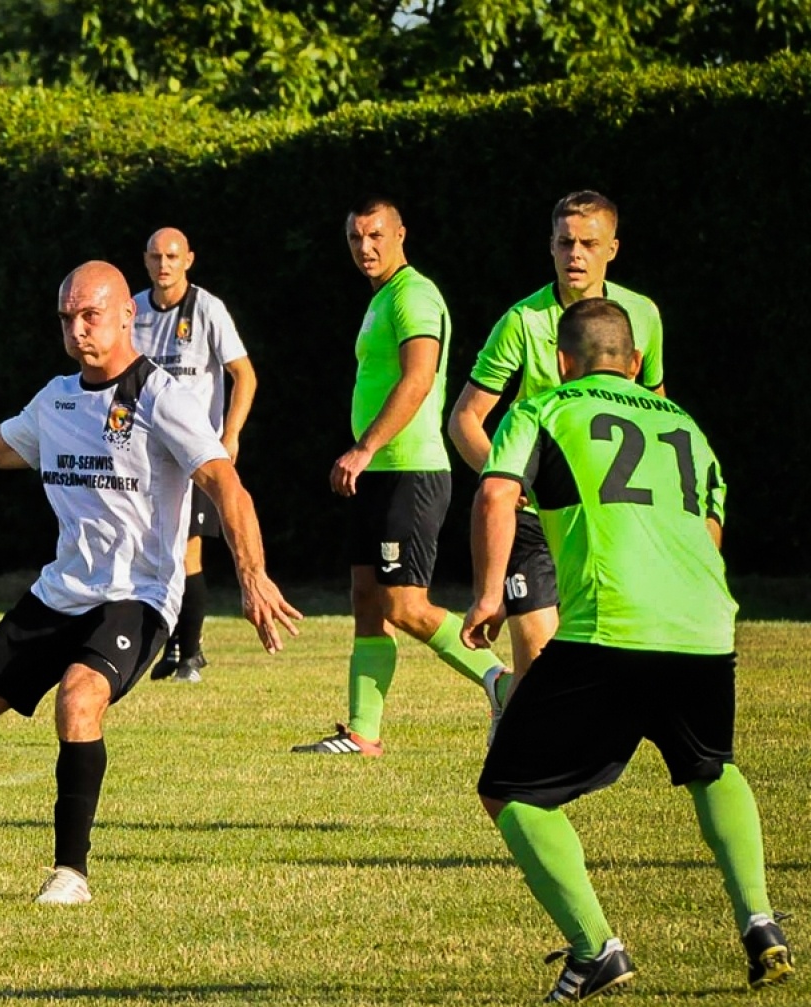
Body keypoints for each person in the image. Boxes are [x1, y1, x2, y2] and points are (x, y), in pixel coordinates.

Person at [0, 261, 302, 904]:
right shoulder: (56, 400)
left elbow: (224, 482)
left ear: (125, 316)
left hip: (137, 595)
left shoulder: (162, 397)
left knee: (79, 699)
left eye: (90, 314)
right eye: (67, 317)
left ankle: (70, 873)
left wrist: (252, 576)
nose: (77, 328)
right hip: (62, 591)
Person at [463, 298, 791, 1002]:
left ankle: (596, 949)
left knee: (509, 790)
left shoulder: (546, 408)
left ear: (560, 360)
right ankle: (760, 920)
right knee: (710, 765)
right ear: (637, 363)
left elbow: (495, 495)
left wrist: (491, 592)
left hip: (610, 627)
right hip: (705, 626)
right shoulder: (687, 425)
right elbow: (709, 529)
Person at [293, 197, 508, 757]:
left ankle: (502, 683)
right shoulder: (382, 299)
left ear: (401, 234)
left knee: (404, 604)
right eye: (356, 238)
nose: (366, 247)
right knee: (367, 598)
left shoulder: (413, 294)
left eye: (376, 235)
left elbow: (420, 377)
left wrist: (365, 447)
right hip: (381, 473)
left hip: (409, 470)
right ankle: (363, 733)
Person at [449, 190, 665, 694]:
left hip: (608, 518)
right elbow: (465, 420)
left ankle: (513, 704)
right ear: (550, 245)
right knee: (543, 672)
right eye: (565, 242)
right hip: (533, 522)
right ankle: (517, 707)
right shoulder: (522, 322)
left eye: (589, 244)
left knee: (611, 665)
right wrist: (511, 480)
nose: (575, 255)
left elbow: (659, 414)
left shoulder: (643, 317)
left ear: (613, 248)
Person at [131, 227, 258, 684]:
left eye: (172, 256)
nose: (163, 264)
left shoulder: (207, 309)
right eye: (155, 256)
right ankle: (167, 647)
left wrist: (231, 434)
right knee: (151, 551)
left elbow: (244, 375)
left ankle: (191, 652)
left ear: (189, 260)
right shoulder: (133, 310)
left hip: (196, 453)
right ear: (145, 261)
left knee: (188, 551)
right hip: (145, 455)